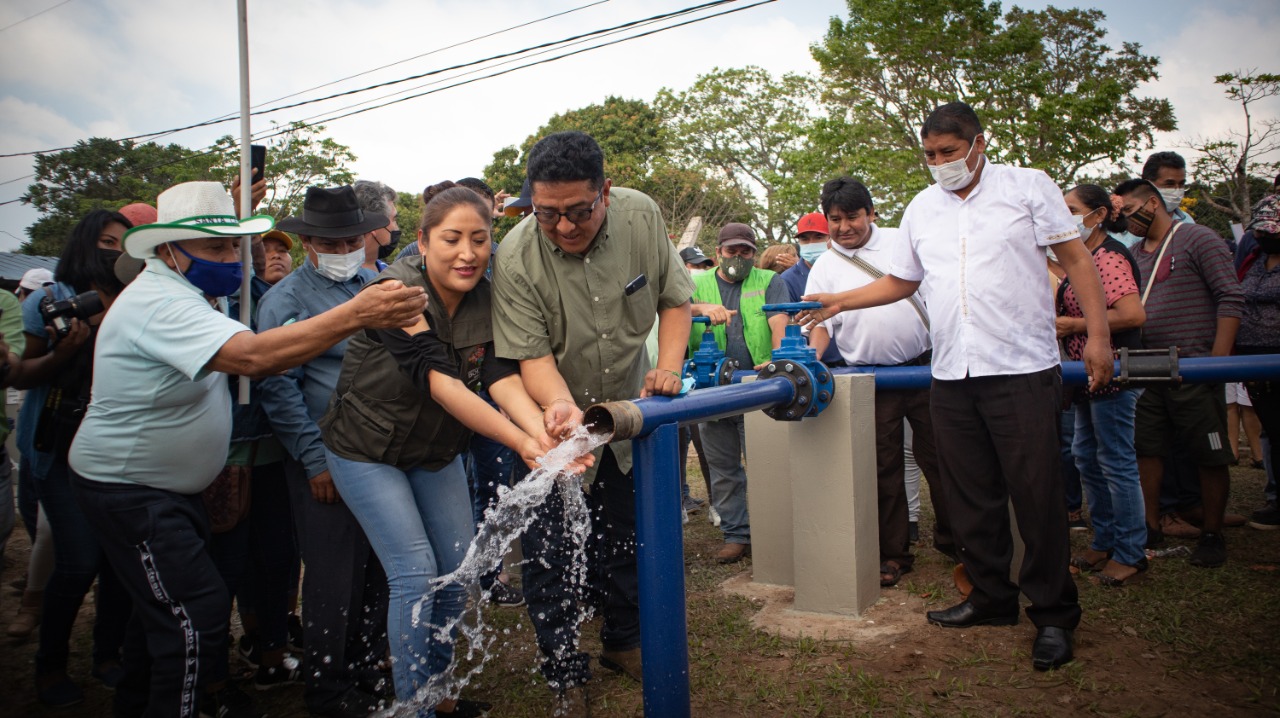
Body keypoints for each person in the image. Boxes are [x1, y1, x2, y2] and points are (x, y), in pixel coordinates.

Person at [65, 181, 427, 718]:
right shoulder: (161, 303)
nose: (231, 260)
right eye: (215, 248)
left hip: (168, 487)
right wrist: (356, 314)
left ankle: (138, 701)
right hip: (131, 487)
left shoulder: (198, 296)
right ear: (168, 251)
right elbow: (256, 360)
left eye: (234, 247)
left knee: (163, 614)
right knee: (196, 613)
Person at [801, 102, 1114, 671]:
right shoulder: (923, 207)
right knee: (970, 495)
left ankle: (1052, 614)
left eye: (949, 151)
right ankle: (991, 596)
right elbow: (902, 281)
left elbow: (1076, 260)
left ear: (978, 144)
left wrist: (1098, 336)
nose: (940, 162)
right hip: (951, 374)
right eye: (930, 154)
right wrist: (839, 302)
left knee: (1037, 498)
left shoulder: (1028, 187)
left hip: (1021, 369)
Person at [321, 183, 588, 715]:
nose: (467, 253)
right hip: (366, 450)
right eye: (451, 239)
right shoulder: (396, 290)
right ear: (422, 242)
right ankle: (414, 707)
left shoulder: (489, 297)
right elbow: (441, 383)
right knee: (415, 573)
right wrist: (522, 442)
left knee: (456, 569)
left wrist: (542, 437)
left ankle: (438, 692)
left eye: (479, 240)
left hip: (435, 451)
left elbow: (498, 376)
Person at [491, 130, 693, 714]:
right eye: (547, 213)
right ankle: (564, 669)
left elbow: (674, 299)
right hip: (553, 422)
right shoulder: (516, 254)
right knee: (550, 551)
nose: (564, 226)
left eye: (579, 211)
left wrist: (668, 367)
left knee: (627, 536)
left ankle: (624, 641)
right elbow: (531, 356)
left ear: (605, 192)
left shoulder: (641, 216)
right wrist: (560, 407)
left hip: (628, 413)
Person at [258, 185, 395, 717]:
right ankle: (327, 687)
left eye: (352, 242)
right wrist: (314, 460)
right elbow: (278, 387)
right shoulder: (285, 301)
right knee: (333, 576)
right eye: (330, 244)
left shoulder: (376, 284)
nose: (343, 252)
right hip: (327, 456)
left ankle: (367, 670)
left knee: (378, 569)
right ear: (308, 244)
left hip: (382, 453)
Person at [4, 209, 134, 707]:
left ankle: (108, 654)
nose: (114, 251)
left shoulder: (135, 297)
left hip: (122, 449)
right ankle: (50, 664)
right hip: (59, 450)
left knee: (120, 564)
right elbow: (19, 374)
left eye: (122, 244)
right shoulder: (49, 299)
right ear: (83, 243)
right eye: (106, 241)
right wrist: (62, 352)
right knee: (78, 562)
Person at [802, 177, 953, 585]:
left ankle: (957, 540)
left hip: (924, 370)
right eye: (835, 219)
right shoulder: (824, 266)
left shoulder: (901, 242)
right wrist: (811, 359)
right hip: (871, 378)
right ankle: (894, 553)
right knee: (881, 466)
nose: (843, 227)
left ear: (871, 213)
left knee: (944, 458)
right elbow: (820, 325)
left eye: (852, 217)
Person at [1115, 177, 1244, 567]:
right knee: (1147, 449)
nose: (1128, 220)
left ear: (1153, 203)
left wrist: (1216, 363)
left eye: (1131, 210)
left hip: (1194, 365)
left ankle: (1212, 532)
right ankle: (1150, 526)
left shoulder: (1198, 238)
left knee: (1209, 452)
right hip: (1146, 368)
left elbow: (1229, 295)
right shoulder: (1133, 253)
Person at [1056, 184, 1148, 586]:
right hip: (1087, 378)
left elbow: (1132, 314)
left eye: (1072, 209)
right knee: (1087, 457)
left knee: (1115, 462)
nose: (1065, 217)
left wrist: (1075, 325)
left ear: (1097, 215)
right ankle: (1105, 540)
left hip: (1112, 375)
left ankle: (1130, 552)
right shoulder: (1081, 257)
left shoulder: (1108, 257)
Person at [690, 222, 788, 563]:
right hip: (712, 389)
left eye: (746, 251)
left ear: (754, 253)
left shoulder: (770, 281)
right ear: (718, 252)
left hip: (757, 388)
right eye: (731, 250)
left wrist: (778, 359)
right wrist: (700, 308)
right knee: (722, 467)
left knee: (766, 465)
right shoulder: (695, 284)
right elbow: (671, 311)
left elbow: (778, 321)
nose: (738, 257)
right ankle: (736, 534)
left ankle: (772, 534)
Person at [1232, 195, 1280, 530]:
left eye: (1270, 231)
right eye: (1260, 231)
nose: (1263, 236)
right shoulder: (1254, 259)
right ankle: (1275, 497)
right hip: (1252, 358)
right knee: (1272, 429)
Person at [780, 212, 830, 302]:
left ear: (830, 238)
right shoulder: (788, 279)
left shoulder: (845, 267)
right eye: (805, 239)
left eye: (818, 237)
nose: (811, 243)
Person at [354, 179, 401, 272]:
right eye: (394, 219)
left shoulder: (388, 272)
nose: (396, 227)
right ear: (376, 224)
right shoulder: (343, 276)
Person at [1142, 151, 1196, 225]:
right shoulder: (1128, 222)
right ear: (1147, 185)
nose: (1177, 190)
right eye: (1170, 184)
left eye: (1181, 184)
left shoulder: (1188, 222)